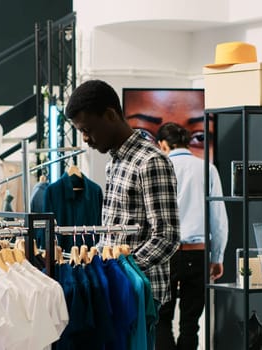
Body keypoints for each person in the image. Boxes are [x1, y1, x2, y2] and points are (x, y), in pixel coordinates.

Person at [64, 79, 181, 346]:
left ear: (110, 115)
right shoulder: (114, 162)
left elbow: (167, 237)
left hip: (138, 292)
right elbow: (116, 230)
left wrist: (121, 269)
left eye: (87, 129)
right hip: (114, 285)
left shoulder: (151, 162)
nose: (85, 138)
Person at [154, 122, 229, 350]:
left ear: (163, 144)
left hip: (165, 254)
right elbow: (218, 218)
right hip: (198, 254)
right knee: (190, 323)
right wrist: (217, 257)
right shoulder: (207, 168)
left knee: (161, 319)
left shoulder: (158, 168)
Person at [122, 89, 212, 158]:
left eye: (200, 137)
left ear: (163, 145)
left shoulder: (159, 168)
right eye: (144, 135)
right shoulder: (209, 169)